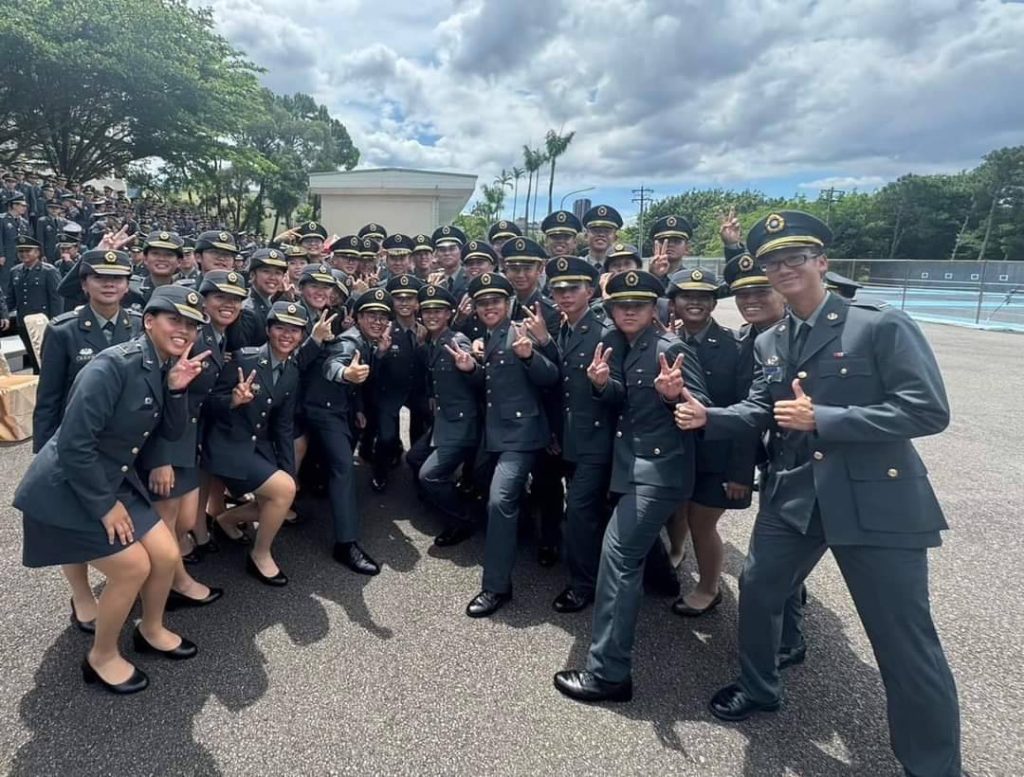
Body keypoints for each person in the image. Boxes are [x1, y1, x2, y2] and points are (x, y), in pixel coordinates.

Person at [674, 211, 961, 777]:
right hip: (796, 493)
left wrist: (825, 418)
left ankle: (932, 764)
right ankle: (760, 687)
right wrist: (709, 416)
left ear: (821, 263)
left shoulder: (879, 325)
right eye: (773, 263)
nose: (784, 270)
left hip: (876, 500)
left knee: (903, 640)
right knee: (759, 589)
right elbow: (761, 408)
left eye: (795, 259)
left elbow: (928, 411)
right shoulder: (771, 341)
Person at [13, 285, 212, 694]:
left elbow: (170, 431)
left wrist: (177, 389)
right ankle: (101, 656)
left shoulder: (165, 365)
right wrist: (105, 506)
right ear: (148, 321)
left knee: (166, 554)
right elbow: (73, 446)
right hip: (69, 486)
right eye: (175, 320)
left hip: (112, 478)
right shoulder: (112, 366)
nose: (184, 330)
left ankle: (151, 629)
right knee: (133, 567)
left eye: (192, 325)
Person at [553, 269, 709, 703]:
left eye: (637, 305)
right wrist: (603, 385)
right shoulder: (628, 344)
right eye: (620, 305)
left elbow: (702, 409)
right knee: (628, 549)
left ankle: (608, 674)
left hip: (657, 471)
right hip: (630, 465)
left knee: (618, 559)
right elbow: (627, 400)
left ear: (654, 307)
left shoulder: (668, 347)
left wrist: (672, 396)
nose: (627, 311)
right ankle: (664, 580)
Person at [32, 248, 143, 632]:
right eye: (100, 277)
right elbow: (48, 399)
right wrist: (44, 456)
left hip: (124, 445)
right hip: (77, 445)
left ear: (128, 285)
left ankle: (123, 583)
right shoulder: (63, 330)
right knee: (73, 520)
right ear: (84, 283)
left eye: (118, 278)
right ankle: (81, 594)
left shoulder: (140, 325)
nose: (109, 284)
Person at [137, 270, 250, 608]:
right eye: (219, 297)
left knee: (183, 521)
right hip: (169, 440)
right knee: (167, 522)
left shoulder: (213, 335)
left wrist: (232, 401)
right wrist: (161, 458)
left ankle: (166, 576)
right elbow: (162, 398)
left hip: (188, 435)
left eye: (235, 299)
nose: (228, 304)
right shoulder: (192, 339)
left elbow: (199, 397)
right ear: (204, 301)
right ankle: (173, 584)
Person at [464, 272, 560, 618]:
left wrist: (529, 356)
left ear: (508, 304)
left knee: (500, 499)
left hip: (522, 433)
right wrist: (471, 369)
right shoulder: (488, 336)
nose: (489, 307)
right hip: (495, 432)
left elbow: (552, 376)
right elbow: (494, 383)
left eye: (495, 301)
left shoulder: (521, 332)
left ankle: (496, 587)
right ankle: (527, 533)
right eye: (482, 303)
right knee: (480, 483)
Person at [663, 267, 754, 616]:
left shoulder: (736, 347)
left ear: (714, 303)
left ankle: (708, 588)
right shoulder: (667, 341)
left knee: (702, 523)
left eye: (703, 297)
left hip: (718, 454)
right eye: (687, 296)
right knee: (680, 511)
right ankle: (677, 551)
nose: (695, 303)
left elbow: (748, 413)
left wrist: (740, 473)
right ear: (673, 303)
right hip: (680, 451)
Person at [202, 301, 304, 586]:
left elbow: (283, 426)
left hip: (258, 446)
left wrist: (289, 471)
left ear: (302, 336)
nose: (287, 335)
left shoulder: (292, 371)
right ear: (268, 330)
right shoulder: (243, 359)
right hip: (226, 445)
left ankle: (226, 520)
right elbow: (207, 405)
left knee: (281, 495)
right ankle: (260, 554)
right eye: (280, 327)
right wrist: (233, 401)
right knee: (282, 492)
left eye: (295, 330)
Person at [545, 257, 615, 613]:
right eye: (558, 289)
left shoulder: (605, 331)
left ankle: (582, 585)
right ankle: (660, 577)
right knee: (588, 511)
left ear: (590, 290)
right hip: (570, 436)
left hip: (597, 440)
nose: (565, 295)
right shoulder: (565, 327)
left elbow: (621, 391)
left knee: (579, 511)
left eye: (573, 288)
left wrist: (602, 385)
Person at [312, 288, 394, 575]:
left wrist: (357, 405)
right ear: (358, 318)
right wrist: (346, 373)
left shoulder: (368, 341)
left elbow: (359, 381)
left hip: (341, 406)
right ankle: (345, 544)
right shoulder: (350, 341)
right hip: (323, 410)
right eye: (371, 315)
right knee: (344, 468)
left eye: (383, 317)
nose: (377, 322)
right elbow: (333, 364)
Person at [408, 283, 483, 546]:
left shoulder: (457, 341)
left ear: (449, 314)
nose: (432, 316)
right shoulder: (432, 341)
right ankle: (440, 499)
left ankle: (462, 521)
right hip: (444, 420)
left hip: (462, 424)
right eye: (427, 311)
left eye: (438, 311)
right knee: (414, 458)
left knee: (429, 475)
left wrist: (471, 367)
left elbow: (480, 379)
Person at [366, 273, 428, 492]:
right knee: (386, 437)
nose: (404, 303)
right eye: (399, 298)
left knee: (420, 434)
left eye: (409, 298)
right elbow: (371, 369)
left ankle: (419, 475)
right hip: (389, 391)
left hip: (416, 391)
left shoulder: (425, 329)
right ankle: (380, 473)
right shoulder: (384, 329)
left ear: (417, 302)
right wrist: (380, 353)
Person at [6, 235, 62, 373]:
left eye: (28, 251)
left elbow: (56, 299)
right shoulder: (15, 271)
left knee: (46, 357)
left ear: (37, 252)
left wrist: (56, 321)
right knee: (32, 356)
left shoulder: (48, 271)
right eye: (21, 251)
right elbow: (11, 299)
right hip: (23, 321)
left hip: (43, 322)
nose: (24, 254)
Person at [230, 247, 288, 347]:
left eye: (278, 273)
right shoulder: (248, 310)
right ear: (252, 275)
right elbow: (240, 351)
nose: (273, 277)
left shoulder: (268, 300)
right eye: (266, 271)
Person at [647, 215, 692, 284]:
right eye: (663, 241)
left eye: (676, 241)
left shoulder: (691, 281)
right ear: (654, 248)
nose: (670, 244)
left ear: (687, 248)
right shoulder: (644, 282)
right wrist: (654, 277)